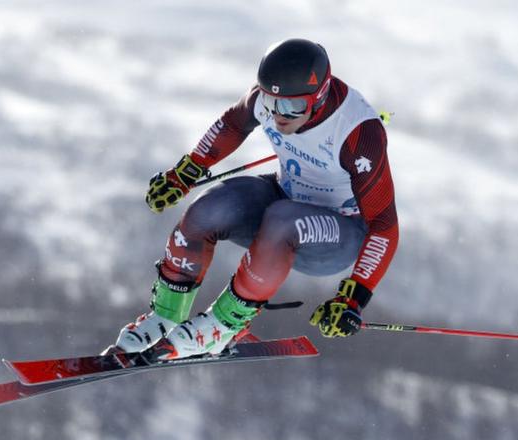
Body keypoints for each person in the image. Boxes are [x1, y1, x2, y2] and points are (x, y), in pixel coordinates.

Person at [113, 38, 398, 360]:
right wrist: (185, 172)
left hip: (338, 234)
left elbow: (384, 225)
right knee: (209, 209)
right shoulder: (270, 100)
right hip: (283, 196)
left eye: (292, 108)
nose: (279, 115)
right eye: (271, 102)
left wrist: (355, 295)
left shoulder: (359, 133)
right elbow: (232, 123)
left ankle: (224, 326)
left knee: (283, 219)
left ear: (318, 99)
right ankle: (166, 315)